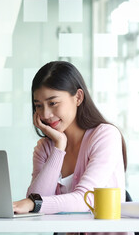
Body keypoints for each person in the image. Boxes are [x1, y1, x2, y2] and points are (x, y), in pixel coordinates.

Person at [12, 61, 127, 216]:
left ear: (78, 97)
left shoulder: (105, 136)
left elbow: (85, 199)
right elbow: (37, 201)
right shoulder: (45, 148)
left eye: (53, 103)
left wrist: (34, 203)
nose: (45, 114)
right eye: (38, 105)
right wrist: (58, 147)